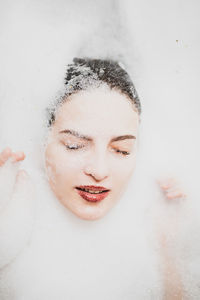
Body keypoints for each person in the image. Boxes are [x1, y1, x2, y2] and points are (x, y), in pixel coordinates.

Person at [0, 58, 186, 299]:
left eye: (122, 150)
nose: (99, 171)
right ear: (40, 143)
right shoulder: (11, 213)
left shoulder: (152, 226)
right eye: (75, 145)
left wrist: (168, 251)